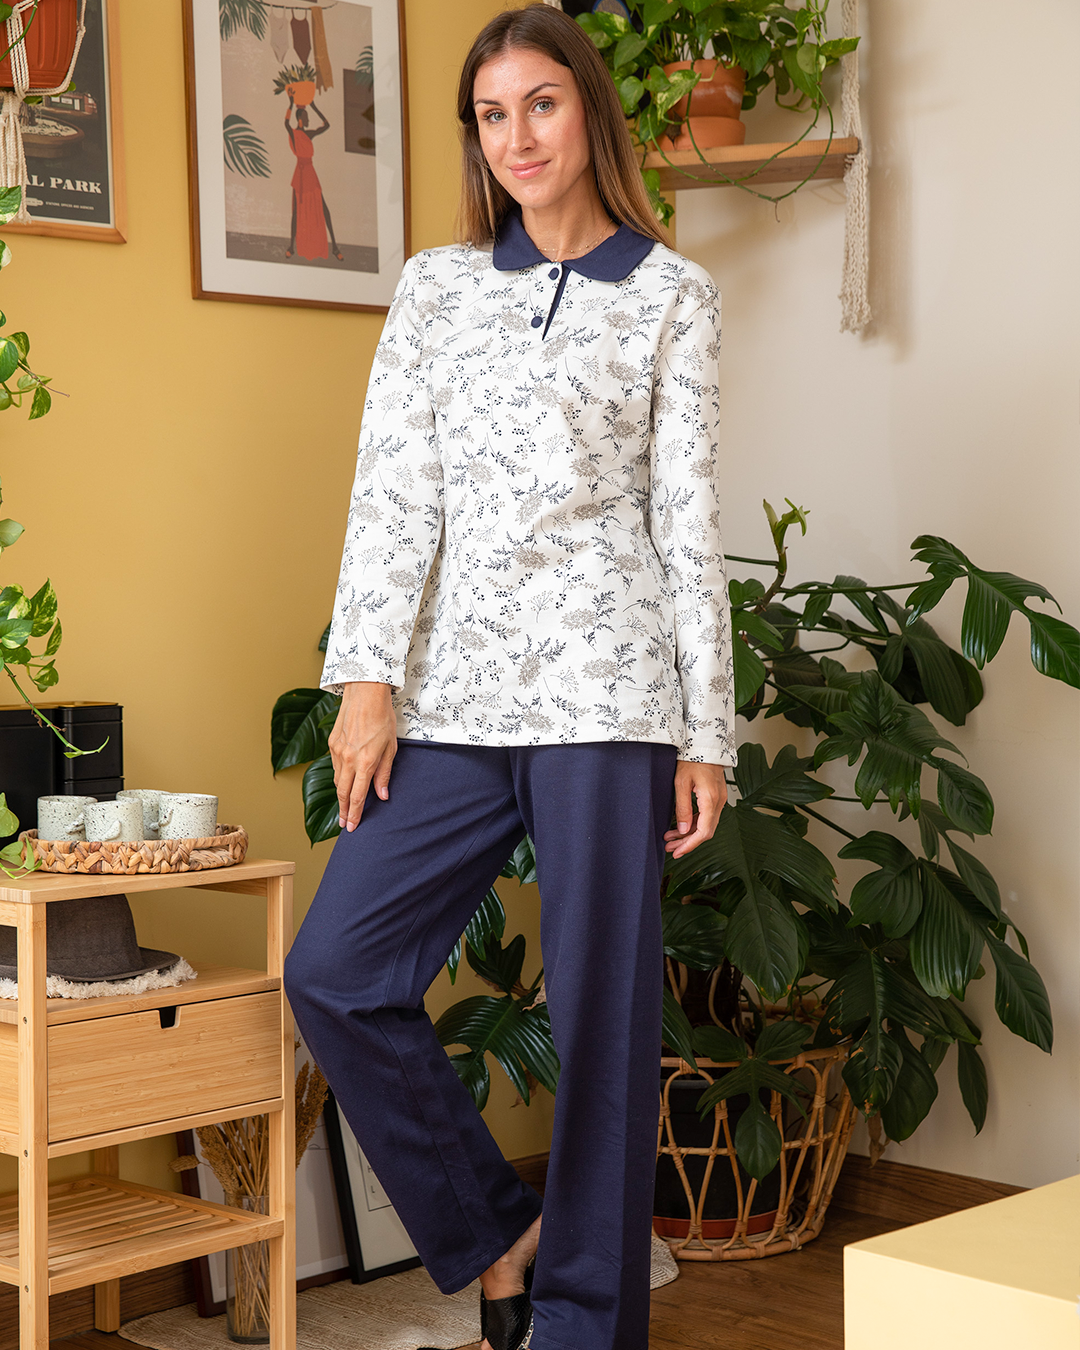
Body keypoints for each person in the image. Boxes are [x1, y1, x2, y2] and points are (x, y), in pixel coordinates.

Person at [283, 7, 735, 1349]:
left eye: (542, 103)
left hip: (609, 690)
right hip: (451, 699)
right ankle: (497, 1236)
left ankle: (584, 1327)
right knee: (337, 971)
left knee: (603, 1022)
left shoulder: (673, 296)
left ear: (589, 109)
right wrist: (365, 681)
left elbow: (686, 521)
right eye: (493, 114)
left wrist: (708, 732)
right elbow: (392, 494)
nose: (518, 136)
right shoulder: (436, 289)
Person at [284, 95, 344, 261]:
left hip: (310, 172)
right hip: (300, 174)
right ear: (300, 119)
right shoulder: (295, 134)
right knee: (295, 212)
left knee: (324, 208)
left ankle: (335, 246)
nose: (308, 120)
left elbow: (327, 125)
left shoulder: (309, 134)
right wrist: (290, 104)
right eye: (306, 117)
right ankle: (291, 246)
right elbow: (286, 124)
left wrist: (314, 106)